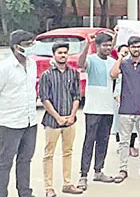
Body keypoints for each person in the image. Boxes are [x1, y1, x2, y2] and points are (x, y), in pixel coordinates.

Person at [110, 36, 140, 182]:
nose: (136, 49)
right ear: (129, 48)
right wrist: (120, 57)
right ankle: (122, 169)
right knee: (124, 141)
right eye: (133, 46)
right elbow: (113, 74)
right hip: (126, 110)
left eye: (138, 46)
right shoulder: (124, 64)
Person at [39, 43, 83, 196]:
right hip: (52, 122)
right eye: (60, 53)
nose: (63, 55)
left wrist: (72, 115)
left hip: (70, 120)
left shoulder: (73, 73)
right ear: (54, 55)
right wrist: (57, 117)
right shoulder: (47, 75)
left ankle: (67, 183)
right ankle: (49, 187)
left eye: (65, 53)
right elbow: (44, 98)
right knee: (49, 154)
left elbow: (77, 96)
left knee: (68, 152)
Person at [77, 33, 117, 190]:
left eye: (109, 45)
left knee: (104, 140)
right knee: (89, 141)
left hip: (108, 108)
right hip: (93, 109)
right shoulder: (92, 60)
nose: (107, 48)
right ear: (98, 46)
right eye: (104, 45)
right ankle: (83, 174)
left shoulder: (113, 62)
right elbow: (81, 64)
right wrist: (87, 45)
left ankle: (98, 171)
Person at [0, 30, 38, 197]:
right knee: (4, 163)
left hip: (30, 121)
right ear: (17, 47)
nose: (31, 47)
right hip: (9, 123)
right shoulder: (4, 67)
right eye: (28, 44)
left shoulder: (32, 64)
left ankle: (25, 192)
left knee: (25, 160)